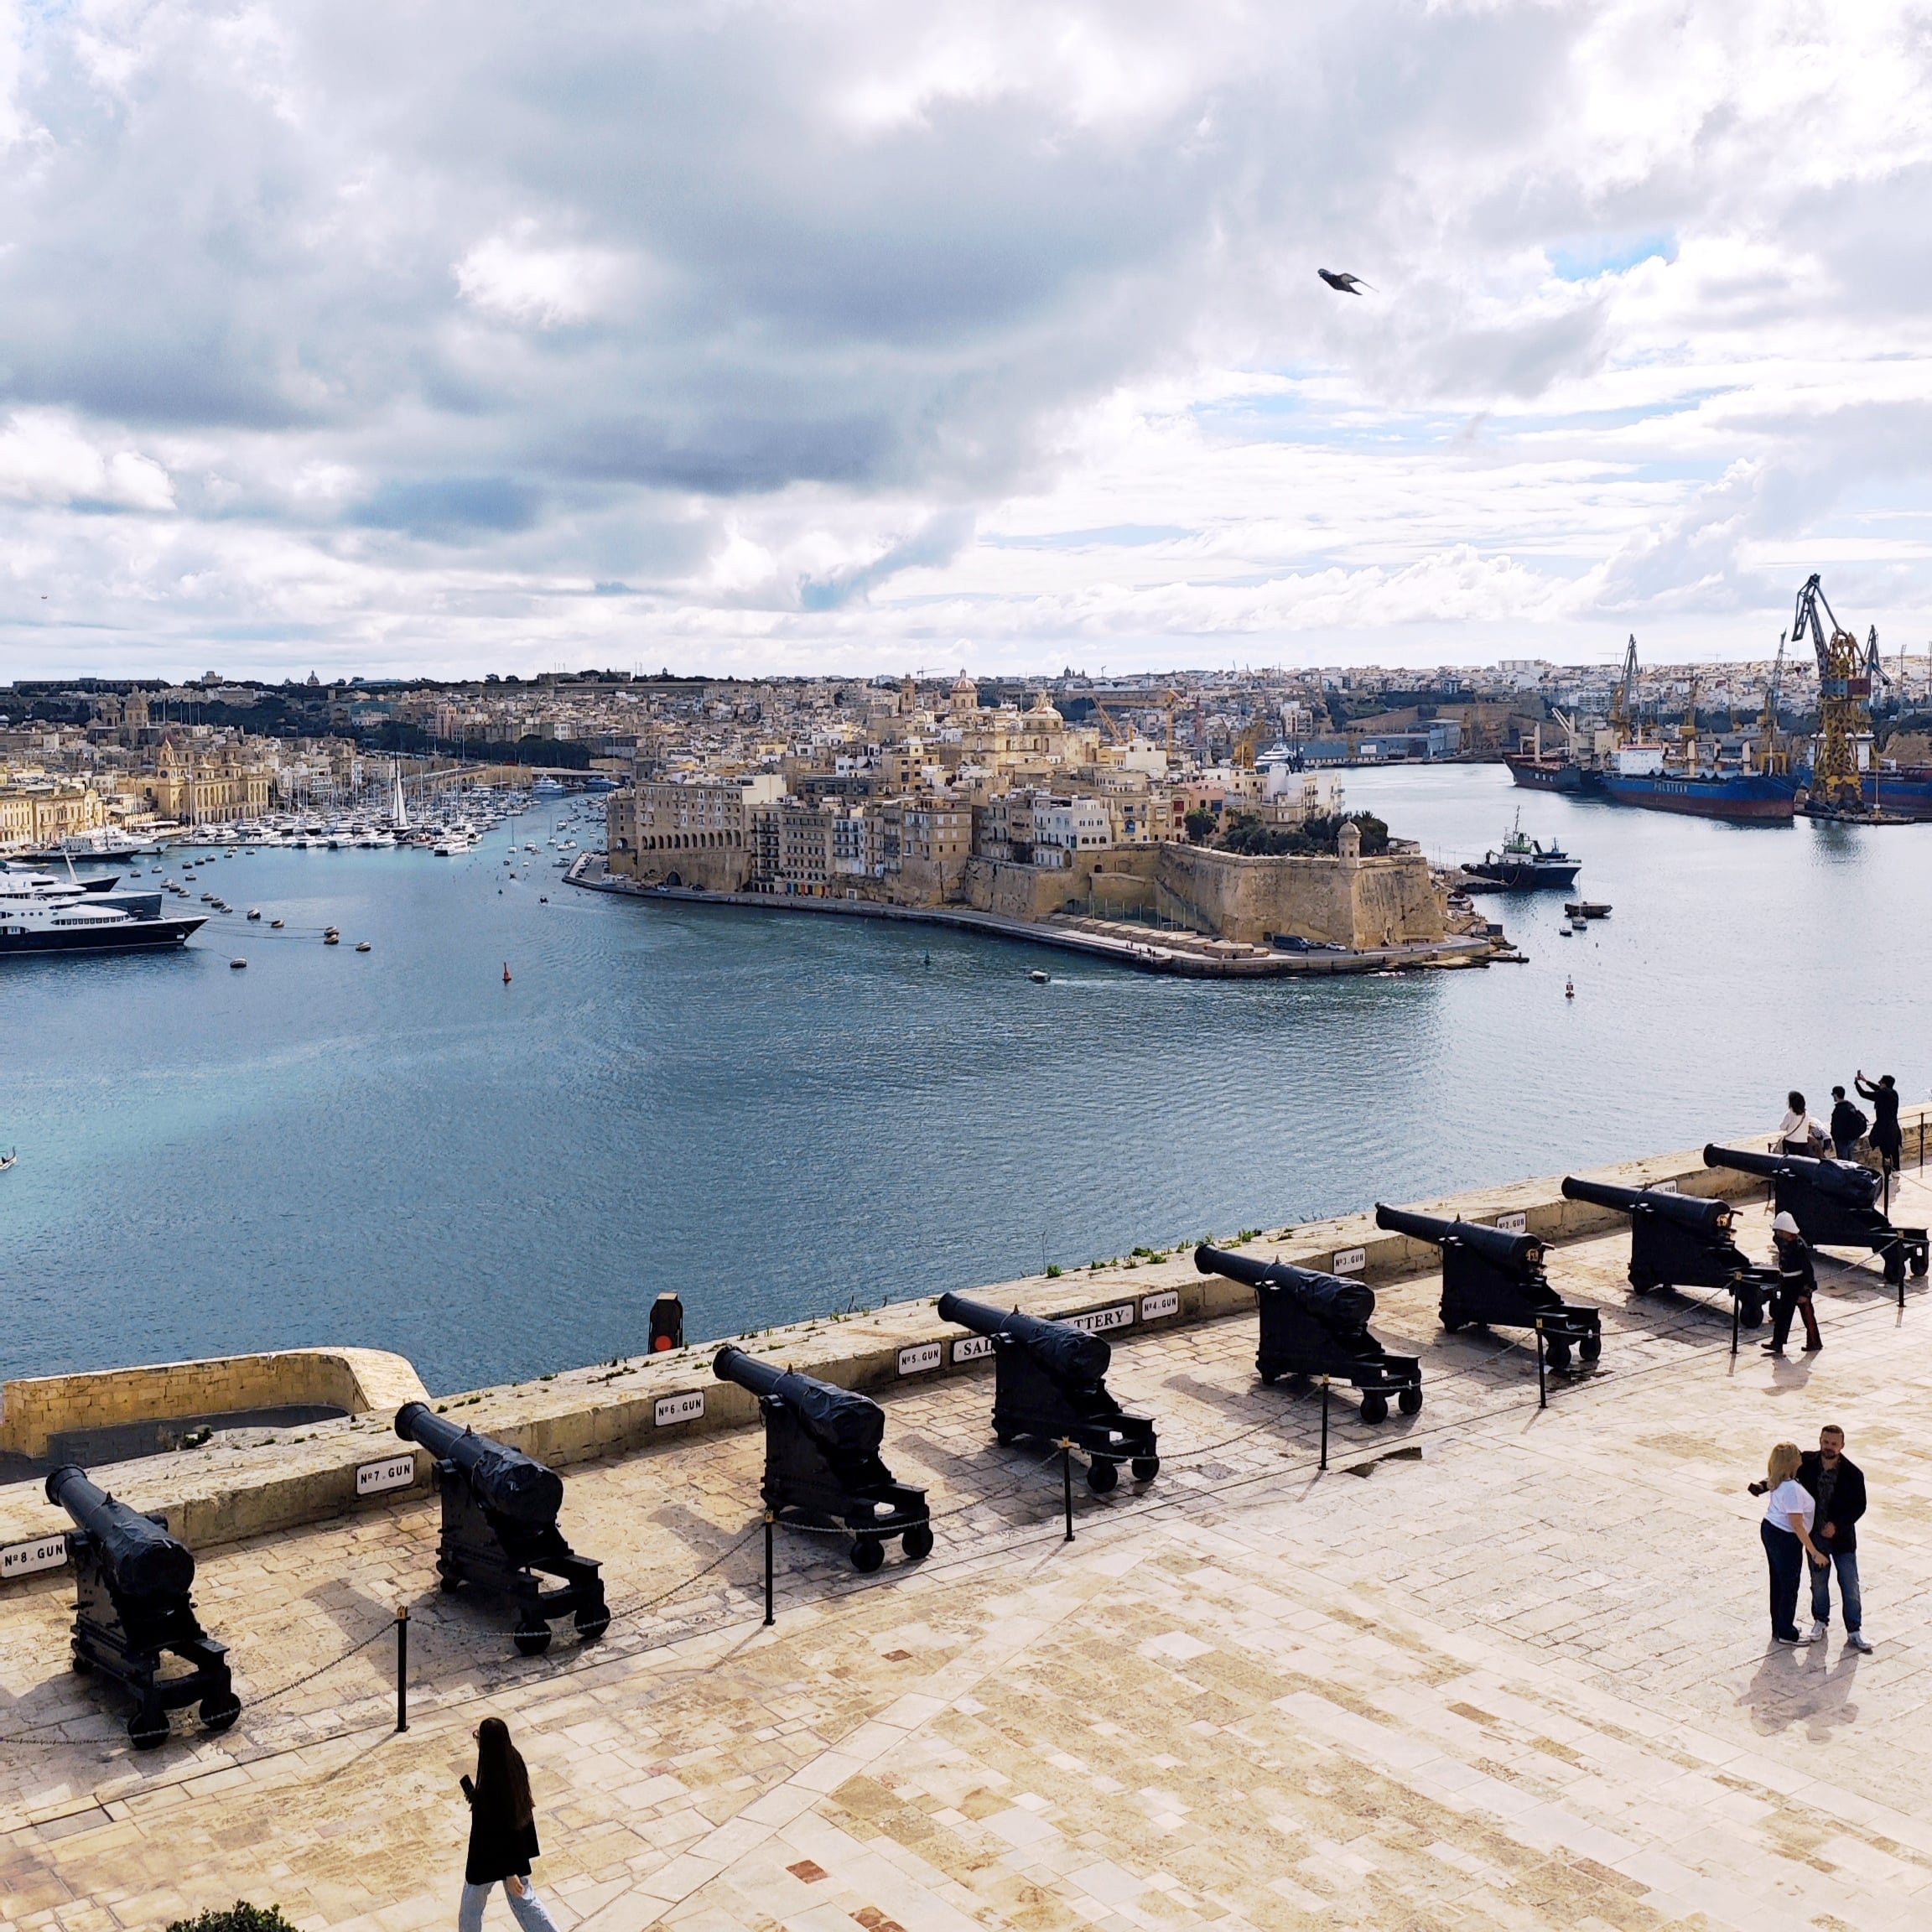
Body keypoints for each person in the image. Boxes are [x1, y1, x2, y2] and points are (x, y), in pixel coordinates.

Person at [459, 1718, 558, 1932]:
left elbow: (498, 1823)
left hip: (491, 1855)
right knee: (525, 1902)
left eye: (479, 1737)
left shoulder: (494, 1775)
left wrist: (509, 1871)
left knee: (472, 1906)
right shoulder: (512, 1760)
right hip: (513, 1852)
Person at [1752, 1441, 1830, 1644]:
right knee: (1789, 1584)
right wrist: (1814, 1552)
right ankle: (1787, 1632)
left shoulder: (1779, 1481)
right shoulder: (1791, 1489)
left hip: (1771, 1529)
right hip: (1784, 1538)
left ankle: (1779, 1627)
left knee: (1777, 1581)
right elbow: (1797, 1525)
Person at [1802, 1426, 1872, 1651]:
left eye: (1834, 1444)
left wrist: (1838, 1526)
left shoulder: (1853, 1474)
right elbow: (1783, 1473)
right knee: (1818, 1582)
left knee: (1850, 1584)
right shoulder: (1806, 1462)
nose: (1829, 1447)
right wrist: (1763, 1485)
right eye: (1826, 1442)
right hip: (1816, 1538)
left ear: (1842, 1446)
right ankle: (1820, 1620)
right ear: (1820, 1440)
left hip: (1843, 1540)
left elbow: (1859, 1506)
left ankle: (1854, 1629)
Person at [1762, 1211, 1822, 1355]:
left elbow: (1808, 1269)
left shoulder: (1798, 1247)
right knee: (1783, 1315)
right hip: (1787, 1282)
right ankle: (1777, 1343)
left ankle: (1814, 1342)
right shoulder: (1785, 1243)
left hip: (1798, 1283)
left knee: (1807, 1314)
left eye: (1780, 1231)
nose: (1778, 1234)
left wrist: (1807, 1289)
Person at [1856, 1071, 1903, 1176]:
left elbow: (1864, 1094)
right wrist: (1865, 1081)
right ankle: (1896, 1172)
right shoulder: (1893, 1093)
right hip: (1894, 1127)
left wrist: (1856, 1083)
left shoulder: (1882, 1094)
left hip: (1884, 1129)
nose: (1879, 1083)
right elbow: (1878, 1089)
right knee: (1894, 1151)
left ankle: (1887, 1174)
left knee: (1885, 1152)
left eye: (1880, 1082)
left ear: (1885, 1084)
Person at [1774, 1092, 1829, 1156]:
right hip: (1803, 1142)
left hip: (1790, 1142)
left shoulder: (1789, 1114)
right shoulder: (1806, 1113)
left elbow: (1782, 1127)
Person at [1828, 1086, 1868, 1161]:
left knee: (1843, 1162)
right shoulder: (1850, 1105)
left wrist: (1834, 1137)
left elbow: (1836, 1126)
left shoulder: (1839, 1109)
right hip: (1852, 1138)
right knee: (1850, 1160)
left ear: (1836, 1095)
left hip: (1842, 1140)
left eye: (1833, 1094)